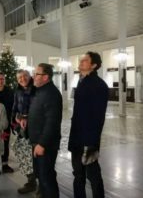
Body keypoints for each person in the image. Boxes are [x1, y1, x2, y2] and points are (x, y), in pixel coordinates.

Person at [68, 51, 109, 198]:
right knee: (78, 174)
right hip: (77, 138)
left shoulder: (99, 86)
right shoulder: (82, 81)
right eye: (81, 59)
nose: (81, 62)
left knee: (92, 175)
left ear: (94, 65)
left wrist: (91, 143)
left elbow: (98, 117)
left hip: (88, 140)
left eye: (85, 60)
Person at [27, 63, 63, 198]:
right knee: (42, 177)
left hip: (45, 145)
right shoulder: (41, 90)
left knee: (46, 178)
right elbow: (40, 114)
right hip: (37, 142)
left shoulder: (51, 94)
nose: (33, 76)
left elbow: (51, 122)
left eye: (37, 74)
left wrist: (42, 144)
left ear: (46, 77)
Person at [11, 70, 37, 194]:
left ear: (30, 76)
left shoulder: (37, 89)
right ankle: (31, 181)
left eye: (25, 76)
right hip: (22, 129)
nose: (23, 79)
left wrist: (26, 118)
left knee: (35, 156)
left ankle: (41, 184)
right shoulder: (18, 91)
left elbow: (38, 109)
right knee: (24, 154)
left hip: (35, 128)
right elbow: (15, 107)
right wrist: (16, 119)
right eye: (20, 77)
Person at [0, 73, 15, 173]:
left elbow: (13, 107)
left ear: (4, 80)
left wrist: (13, 120)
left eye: (2, 79)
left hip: (5, 124)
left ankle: (5, 165)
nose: (0, 81)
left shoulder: (10, 92)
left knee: (5, 143)